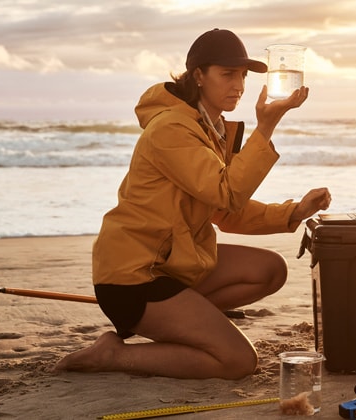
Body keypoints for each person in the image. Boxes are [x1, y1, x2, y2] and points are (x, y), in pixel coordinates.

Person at [55, 29, 331, 379]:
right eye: (227, 74)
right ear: (198, 75)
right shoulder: (172, 128)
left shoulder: (211, 127)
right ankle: (111, 354)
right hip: (137, 275)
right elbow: (226, 192)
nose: (239, 85)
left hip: (177, 263)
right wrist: (266, 128)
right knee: (238, 362)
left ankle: (189, 321)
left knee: (270, 270)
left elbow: (225, 213)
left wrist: (293, 212)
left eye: (243, 76)